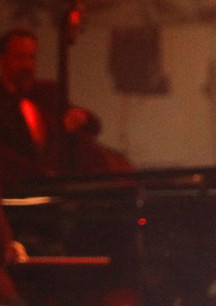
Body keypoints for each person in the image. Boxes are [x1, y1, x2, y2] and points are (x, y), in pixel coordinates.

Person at [0, 27, 127, 189]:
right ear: (3, 59)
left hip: (59, 182)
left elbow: (93, 124)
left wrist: (80, 117)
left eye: (31, 57)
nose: (27, 65)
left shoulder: (47, 93)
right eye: (19, 57)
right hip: (19, 186)